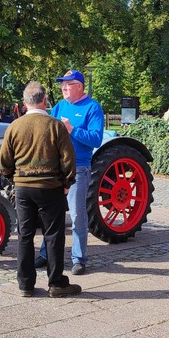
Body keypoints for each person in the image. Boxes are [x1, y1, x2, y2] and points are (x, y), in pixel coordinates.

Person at [0, 81, 80, 298]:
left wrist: (13, 179)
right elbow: (68, 159)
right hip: (50, 187)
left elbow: (4, 160)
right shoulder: (55, 126)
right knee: (53, 235)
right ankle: (56, 283)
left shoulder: (14, 126)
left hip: (23, 188)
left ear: (25, 103)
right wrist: (66, 183)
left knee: (25, 235)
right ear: (44, 101)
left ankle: (25, 284)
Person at [36, 69, 104, 275]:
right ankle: (46, 254)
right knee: (51, 214)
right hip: (56, 168)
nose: (64, 87)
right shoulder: (59, 107)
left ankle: (79, 259)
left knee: (77, 216)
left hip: (79, 168)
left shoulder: (93, 107)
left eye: (68, 84)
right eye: (62, 84)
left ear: (80, 87)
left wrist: (72, 129)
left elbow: (96, 139)